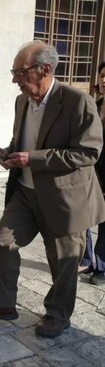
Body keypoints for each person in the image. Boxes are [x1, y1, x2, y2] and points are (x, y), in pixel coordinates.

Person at [0, 41, 105, 338]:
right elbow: (26, 141)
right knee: (2, 243)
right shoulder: (22, 101)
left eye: (20, 71)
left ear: (44, 69)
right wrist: (11, 153)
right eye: (13, 72)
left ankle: (57, 315)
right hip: (26, 193)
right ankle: (2, 305)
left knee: (64, 261)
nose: (15, 78)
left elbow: (88, 153)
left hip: (65, 197)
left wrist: (34, 158)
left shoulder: (76, 102)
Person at [79, 60, 105, 285]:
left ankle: (102, 268)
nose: (104, 80)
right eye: (102, 75)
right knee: (84, 217)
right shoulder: (94, 107)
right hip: (90, 171)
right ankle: (86, 259)